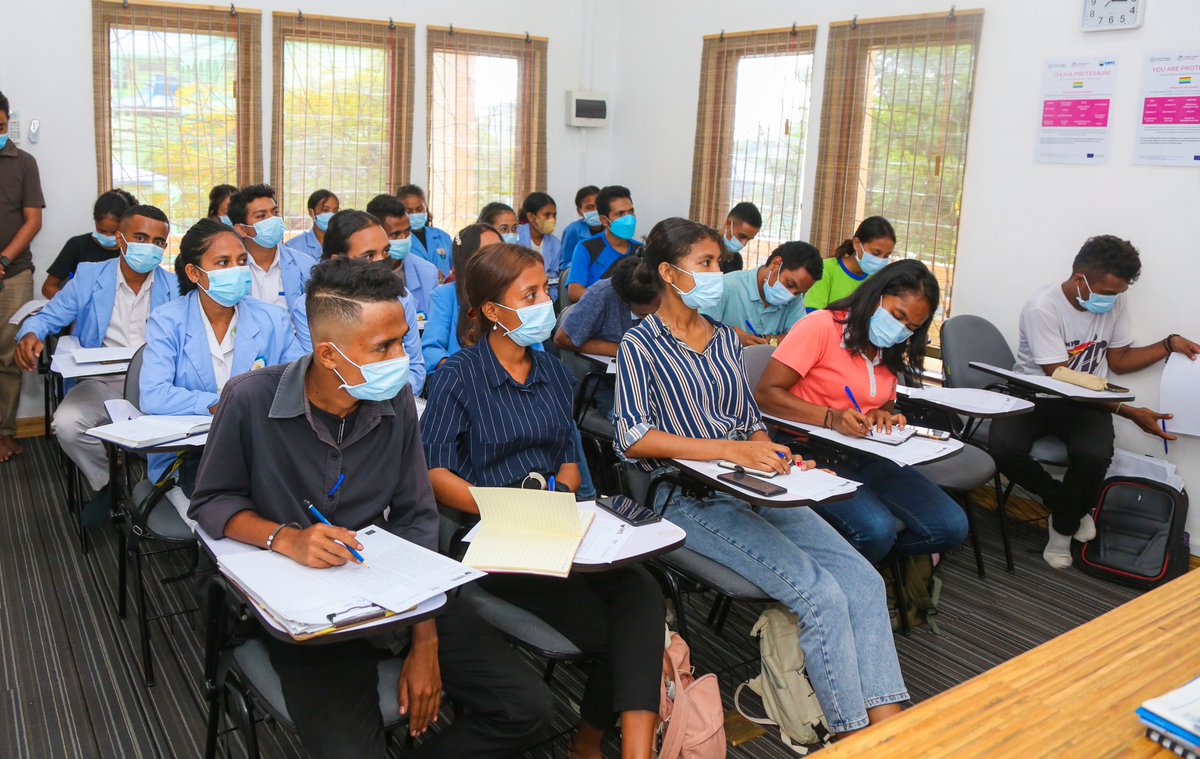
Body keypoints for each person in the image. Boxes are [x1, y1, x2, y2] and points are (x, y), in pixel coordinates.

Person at [188, 256, 551, 759]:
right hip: (310, 613)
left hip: (395, 587)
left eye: (402, 339)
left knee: (527, 707)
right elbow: (211, 502)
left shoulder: (396, 399)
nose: (402, 358)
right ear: (330, 355)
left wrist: (425, 640)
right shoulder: (250, 399)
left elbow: (416, 515)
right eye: (384, 346)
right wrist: (286, 537)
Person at [613, 217, 906, 736]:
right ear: (668, 272)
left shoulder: (726, 340)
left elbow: (748, 423)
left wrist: (778, 455)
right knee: (818, 594)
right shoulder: (640, 345)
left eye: (716, 264)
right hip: (688, 497)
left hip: (753, 485)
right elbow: (633, 438)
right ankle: (853, 733)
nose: (716, 273)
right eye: (704, 263)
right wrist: (729, 450)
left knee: (860, 577)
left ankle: (890, 724)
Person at [422, 243, 662, 759]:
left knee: (642, 587)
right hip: (492, 534)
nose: (543, 304)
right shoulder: (458, 376)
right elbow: (434, 471)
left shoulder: (552, 370)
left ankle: (604, 744)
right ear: (492, 311)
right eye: (528, 295)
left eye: (543, 292)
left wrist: (563, 493)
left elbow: (567, 458)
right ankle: (593, 744)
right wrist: (499, 507)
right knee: (616, 632)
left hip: (552, 521)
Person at [989, 235, 1200, 569]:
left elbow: (1118, 360)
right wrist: (1130, 412)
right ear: (1080, 280)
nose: (1114, 300)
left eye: (1119, 294)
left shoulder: (1115, 301)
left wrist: (1168, 344)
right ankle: (1066, 509)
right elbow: (1062, 378)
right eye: (1109, 293)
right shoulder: (1042, 307)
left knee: (1094, 455)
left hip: (1087, 403)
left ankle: (1060, 532)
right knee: (1001, 447)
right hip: (1035, 394)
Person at [755, 259, 969, 563]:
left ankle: (868, 567)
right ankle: (828, 579)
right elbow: (765, 395)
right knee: (876, 531)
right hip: (809, 450)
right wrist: (831, 417)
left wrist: (883, 415)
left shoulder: (889, 346)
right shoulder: (822, 327)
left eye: (912, 327)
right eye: (898, 316)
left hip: (868, 450)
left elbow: (880, 401)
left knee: (951, 526)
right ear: (878, 295)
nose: (900, 331)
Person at [15, 205, 178, 523]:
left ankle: (167, 492)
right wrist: (30, 333)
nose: (150, 247)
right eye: (141, 237)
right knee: (67, 424)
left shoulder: (174, 287)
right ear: (120, 238)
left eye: (158, 242)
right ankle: (108, 483)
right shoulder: (90, 276)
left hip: (156, 384)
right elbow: (50, 314)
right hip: (101, 381)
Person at [139, 218, 302, 491]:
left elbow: (299, 381)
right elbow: (153, 395)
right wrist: (220, 404)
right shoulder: (167, 320)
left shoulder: (272, 318)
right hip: (192, 452)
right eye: (223, 263)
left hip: (261, 445)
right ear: (194, 273)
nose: (236, 271)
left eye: (241, 261)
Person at [289, 210, 426, 394]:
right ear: (338, 260)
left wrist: (395, 397)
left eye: (385, 251)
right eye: (369, 256)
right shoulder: (311, 305)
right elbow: (318, 372)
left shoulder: (402, 297)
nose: (381, 261)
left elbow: (415, 367)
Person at [0, 89, 45, 464]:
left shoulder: (23, 162)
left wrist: (2, 258)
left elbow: (33, 220)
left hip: (12, 274)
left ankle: (4, 433)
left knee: (8, 357)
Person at [702, 240, 822, 347]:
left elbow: (799, 338)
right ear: (776, 264)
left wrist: (769, 341)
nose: (790, 295)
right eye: (790, 284)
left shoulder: (794, 300)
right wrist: (730, 338)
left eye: (799, 293)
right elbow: (697, 332)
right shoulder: (725, 286)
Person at [227, 184, 315, 321]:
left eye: (275, 213)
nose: (272, 220)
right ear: (241, 229)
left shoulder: (305, 265)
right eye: (261, 216)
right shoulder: (231, 269)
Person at [421, 224, 500, 373]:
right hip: (461, 381)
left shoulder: (514, 294)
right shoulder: (445, 296)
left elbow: (535, 349)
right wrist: (460, 373)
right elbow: (431, 349)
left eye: (502, 251)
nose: (499, 259)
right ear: (468, 260)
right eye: (489, 253)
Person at [555, 256, 660, 359]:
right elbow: (562, 339)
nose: (651, 317)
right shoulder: (600, 295)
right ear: (624, 300)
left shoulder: (665, 286)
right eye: (644, 314)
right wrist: (620, 349)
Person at [42, 189, 137, 298]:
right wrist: (72, 306)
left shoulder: (131, 250)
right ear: (94, 218)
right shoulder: (77, 246)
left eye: (114, 232)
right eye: (102, 230)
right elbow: (48, 287)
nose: (107, 236)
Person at [565, 185, 642, 304]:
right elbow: (574, 292)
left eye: (631, 211)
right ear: (604, 220)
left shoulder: (640, 250)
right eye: (620, 214)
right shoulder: (586, 248)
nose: (629, 218)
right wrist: (611, 303)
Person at [365, 193, 440, 316]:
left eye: (407, 231)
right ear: (375, 233)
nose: (404, 238)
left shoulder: (427, 272)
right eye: (395, 234)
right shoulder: (359, 270)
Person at [805, 216, 896, 313]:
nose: (880, 260)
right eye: (875, 253)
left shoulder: (876, 280)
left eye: (886, 255)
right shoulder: (827, 269)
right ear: (857, 244)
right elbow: (812, 313)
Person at [397, 184, 454, 281]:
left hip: (442, 292)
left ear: (425, 208)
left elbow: (457, 269)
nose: (415, 214)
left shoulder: (442, 237)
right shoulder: (399, 241)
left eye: (419, 209)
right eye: (408, 211)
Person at [517, 192, 563, 298]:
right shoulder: (516, 237)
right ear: (531, 217)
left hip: (546, 294)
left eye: (554, 215)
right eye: (547, 215)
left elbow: (553, 277)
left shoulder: (555, 243)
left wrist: (550, 298)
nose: (552, 219)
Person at [284, 189, 340, 260]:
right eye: (325, 210)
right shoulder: (293, 247)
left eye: (335, 211)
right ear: (311, 212)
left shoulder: (344, 243)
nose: (331, 215)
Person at [559, 185, 601, 266]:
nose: (596, 210)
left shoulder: (610, 228)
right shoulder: (572, 230)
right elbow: (565, 263)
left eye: (598, 206)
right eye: (590, 207)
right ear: (580, 211)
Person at [717, 202, 762, 273]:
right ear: (728, 224)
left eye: (749, 239)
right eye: (742, 236)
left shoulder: (736, 260)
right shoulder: (701, 245)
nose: (744, 244)